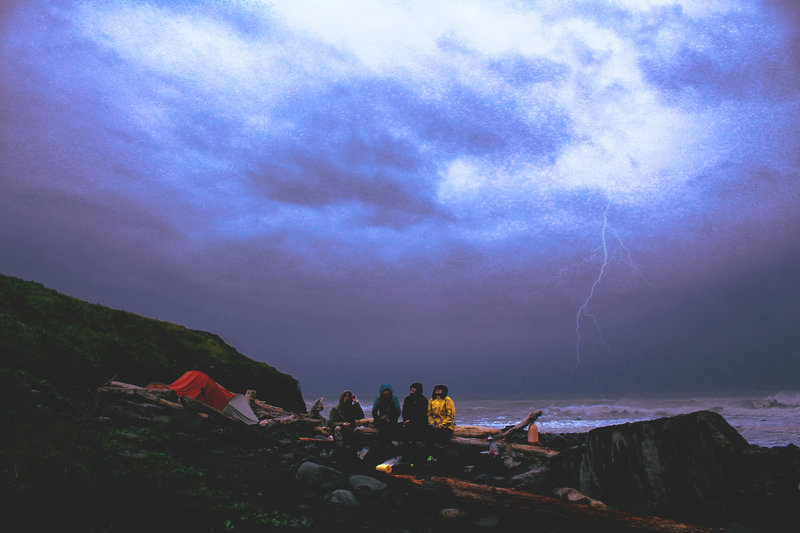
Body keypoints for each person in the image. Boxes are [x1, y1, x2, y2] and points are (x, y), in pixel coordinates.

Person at [426, 384, 455, 460]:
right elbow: (429, 413)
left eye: (439, 389)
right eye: (436, 389)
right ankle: (430, 456)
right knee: (428, 435)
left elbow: (451, 416)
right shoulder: (432, 400)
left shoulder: (447, 400)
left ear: (443, 390)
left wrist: (441, 425)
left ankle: (442, 457)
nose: (437, 390)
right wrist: (431, 422)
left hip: (446, 426)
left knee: (441, 437)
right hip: (434, 425)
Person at [371, 383, 401, 450]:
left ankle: (390, 445)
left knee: (392, 426)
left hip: (392, 419)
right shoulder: (379, 399)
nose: (386, 392)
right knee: (383, 427)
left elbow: (398, 411)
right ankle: (384, 446)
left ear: (391, 391)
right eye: (385, 391)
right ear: (382, 392)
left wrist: (390, 418)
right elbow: (374, 412)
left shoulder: (394, 399)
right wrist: (379, 418)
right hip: (381, 420)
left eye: (388, 390)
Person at [401, 382, 428, 448]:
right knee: (401, 429)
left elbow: (422, 414)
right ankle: (404, 450)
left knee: (413, 432)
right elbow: (404, 411)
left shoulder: (423, 400)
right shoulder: (407, 399)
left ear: (418, 389)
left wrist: (411, 420)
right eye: (411, 388)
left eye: (414, 388)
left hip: (419, 422)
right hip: (408, 422)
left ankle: (413, 450)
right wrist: (405, 419)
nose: (412, 389)